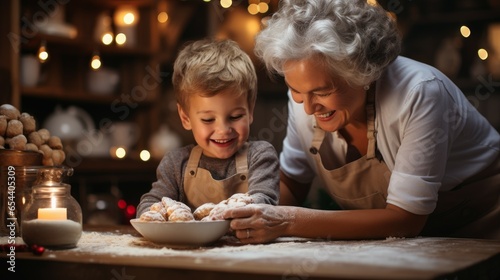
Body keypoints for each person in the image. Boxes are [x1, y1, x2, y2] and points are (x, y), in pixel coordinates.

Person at [223, 0, 500, 243]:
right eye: (296, 90)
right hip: (415, 240)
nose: (307, 107)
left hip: (484, 225)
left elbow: (405, 220)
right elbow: (293, 182)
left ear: (363, 73)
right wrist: (246, 212)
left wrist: (286, 221)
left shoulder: (419, 92)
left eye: (323, 92)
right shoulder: (306, 94)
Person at [137, 39, 280, 216]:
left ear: (250, 110)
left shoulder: (259, 157)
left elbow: (263, 202)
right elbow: (151, 203)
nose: (223, 129)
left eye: (235, 117)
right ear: (185, 117)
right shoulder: (176, 164)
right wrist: (152, 215)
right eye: (208, 119)